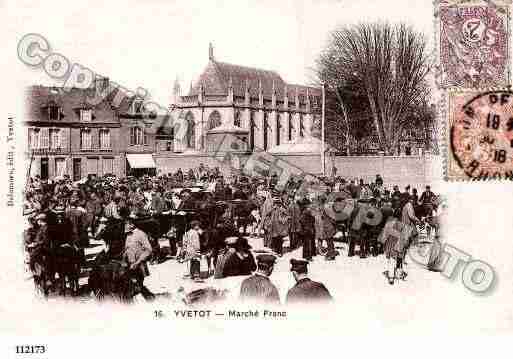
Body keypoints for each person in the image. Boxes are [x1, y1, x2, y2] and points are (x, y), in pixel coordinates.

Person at [123, 213, 155, 300]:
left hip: (138, 265)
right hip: (129, 264)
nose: (124, 226)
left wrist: (138, 262)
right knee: (131, 286)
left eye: (126, 224)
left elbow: (149, 250)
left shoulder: (140, 234)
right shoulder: (128, 234)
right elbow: (127, 249)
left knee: (137, 286)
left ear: (132, 224)